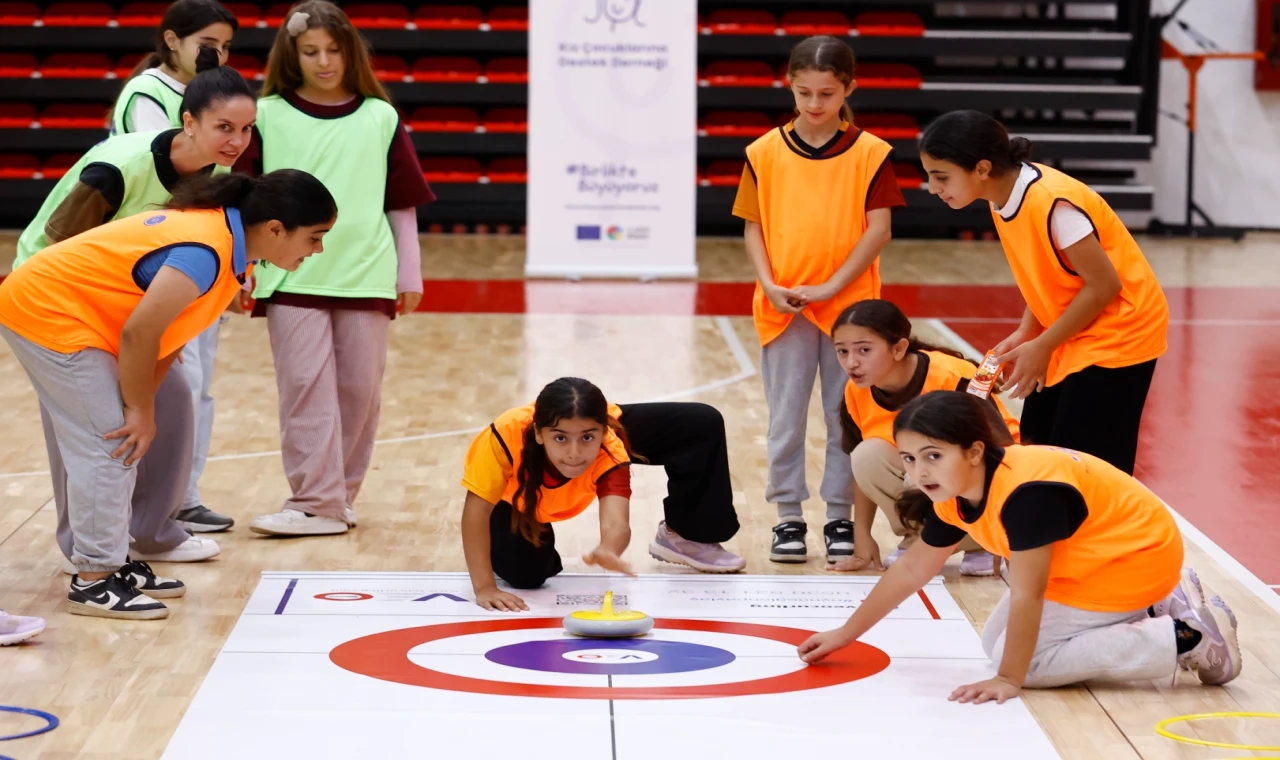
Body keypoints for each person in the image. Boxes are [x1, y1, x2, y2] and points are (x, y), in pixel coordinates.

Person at [0, 170, 336, 619]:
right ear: (276, 229)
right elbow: (140, 333)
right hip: (47, 312)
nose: (318, 250)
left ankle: (110, 562)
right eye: (315, 237)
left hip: (81, 314)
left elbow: (169, 335)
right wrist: (138, 410)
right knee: (111, 445)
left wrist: (142, 406)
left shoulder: (232, 249)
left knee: (121, 439)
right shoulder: (205, 250)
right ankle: (94, 580)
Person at [799, 391, 1242, 702]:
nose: (919, 472)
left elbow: (1030, 592)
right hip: (1104, 556)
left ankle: (1188, 636)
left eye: (933, 455)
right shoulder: (956, 490)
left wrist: (1010, 680)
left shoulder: (1026, 495)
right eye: (910, 458)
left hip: (1131, 561)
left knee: (1029, 665)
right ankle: (1163, 602)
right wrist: (845, 634)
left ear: (974, 452)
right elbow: (912, 569)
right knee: (995, 643)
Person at [16, 59, 256, 565]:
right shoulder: (119, 166)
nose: (237, 140)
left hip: (126, 303)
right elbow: (61, 250)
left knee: (172, 399)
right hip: (57, 301)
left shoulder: (218, 172)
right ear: (188, 122)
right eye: (225, 127)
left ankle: (152, 531)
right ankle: (84, 547)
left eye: (246, 129)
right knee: (93, 426)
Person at [235, 0, 436, 537]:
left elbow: (401, 203)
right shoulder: (267, 114)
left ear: (351, 52)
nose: (324, 61)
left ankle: (337, 500)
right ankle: (314, 501)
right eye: (310, 51)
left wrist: (409, 273)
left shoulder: (381, 117)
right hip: (288, 274)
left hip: (367, 273)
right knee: (304, 387)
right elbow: (241, 201)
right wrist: (240, 266)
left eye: (333, 49)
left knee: (359, 393)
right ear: (291, 55)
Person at [732, 36, 906, 564]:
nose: (814, 103)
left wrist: (832, 287)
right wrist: (768, 283)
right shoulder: (763, 152)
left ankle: (839, 515)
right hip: (784, 308)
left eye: (826, 93)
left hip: (851, 312)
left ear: (847, 89)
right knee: (784, 419)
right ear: (789, 85)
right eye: (803, 92)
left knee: (844, 418)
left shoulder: (871, 153)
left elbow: (879, 229)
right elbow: (753, 227)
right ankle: (787, 516)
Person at [918, 110, 1169, 476]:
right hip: (1073, 327)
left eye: (941, 176)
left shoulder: (1053, 204)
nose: (932, 187)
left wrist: (1043, 345)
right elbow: (1050, 276)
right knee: (1039, 444)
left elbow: (1104, 285)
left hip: (1120, 331)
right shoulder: (999, 195)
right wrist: (1028, 332)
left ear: (982, 168)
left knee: (1087, 465)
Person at [460, 377, 746, 611]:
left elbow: (617, 522)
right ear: (538, 433)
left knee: (700, 423)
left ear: (605, 430)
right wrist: (484, 587)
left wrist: (609, 549)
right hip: (512, 504)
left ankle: (686, 535)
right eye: (560, 438)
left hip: (592, 434)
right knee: (528, 576)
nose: (574, 453)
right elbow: (476, 512)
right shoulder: (505, 435)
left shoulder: (610, 449)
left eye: (587, 437)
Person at [833, 300, 1019, 575]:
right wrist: (862, 535)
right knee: (866, 455)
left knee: (925, 461)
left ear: (899, 348)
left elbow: (998, 454)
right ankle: (922, 537)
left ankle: (982, 541)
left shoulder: (955, 377)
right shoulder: (855, 391)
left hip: (996, 479)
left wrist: (1004, 530)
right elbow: (861, 472)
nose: (851, 362)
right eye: (842, 351)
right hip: (934, 480)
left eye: (864, 350)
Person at [108, 0, 238, 136]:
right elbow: (162, 149)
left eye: (225, 46)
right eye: (206, 45)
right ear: (172, 40)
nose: (219, 55)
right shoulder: (147, 90)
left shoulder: (217, 90)